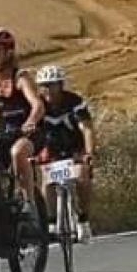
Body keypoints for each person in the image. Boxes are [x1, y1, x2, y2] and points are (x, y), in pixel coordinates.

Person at [0, 26, 45, 213]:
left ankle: (29, 202)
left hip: (28, 132)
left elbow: (37, 105)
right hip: (3, 132)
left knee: (18, 152)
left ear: (9, 52)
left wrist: (31, 121)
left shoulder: (20, 77)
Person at [31, 64, 96, 239]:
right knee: (47, 181)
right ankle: (52, 222)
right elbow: (31, 131)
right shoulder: (38, 105)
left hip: (74, 148)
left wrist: (89, 152)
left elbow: (87, 128)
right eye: (43, 86)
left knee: (82, 177)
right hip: (50, 149)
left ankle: (83, 220)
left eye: (51, 85)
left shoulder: (74, 102)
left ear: (60, 85)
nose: (47, 89)